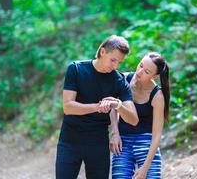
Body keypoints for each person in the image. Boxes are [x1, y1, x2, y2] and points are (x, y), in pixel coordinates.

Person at [56, 35, 139, 179]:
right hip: (69, 140)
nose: (115, 66)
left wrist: (118, 105)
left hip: (98, 143)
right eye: (113, 60)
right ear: (102, 52)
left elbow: (133, 119)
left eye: (119, 62)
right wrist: (98, 106)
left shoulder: (119, 80)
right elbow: (68, 107)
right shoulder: (76, 69)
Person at [110, 52, 170, 179]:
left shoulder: (157, 96)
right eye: (140, 65)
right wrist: (115, 133)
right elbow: (113, 106)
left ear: (155, 76)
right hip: (123, 142)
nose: (139, 72)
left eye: (146, 71)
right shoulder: (124, 79)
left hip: (146, 144)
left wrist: (145, 168)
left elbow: (157, 135)